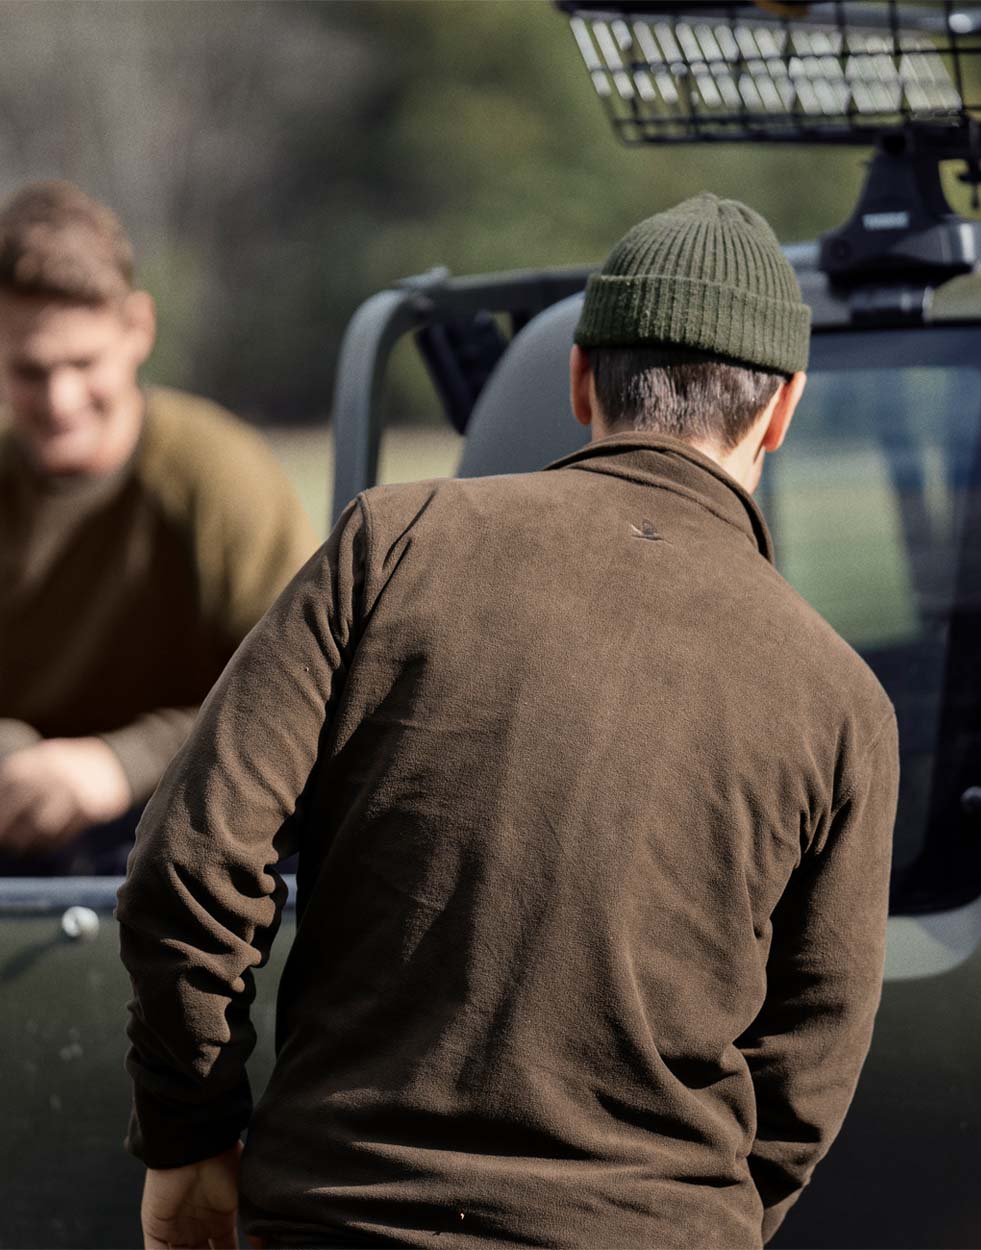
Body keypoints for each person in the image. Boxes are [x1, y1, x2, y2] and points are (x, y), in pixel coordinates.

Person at [117, 194, 899, 1250]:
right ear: (783, 409)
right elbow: (809, 1059)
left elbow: (190, 860)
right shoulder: (842, 698)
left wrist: (190, 1131)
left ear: (581, 376)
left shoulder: (393, 544)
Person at [0, 180, 318, 874]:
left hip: (189, 831)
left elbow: (303, 695)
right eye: (29, 370)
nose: (60, 400)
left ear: (137, 329)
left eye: (83, 364)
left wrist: (123, 763)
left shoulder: (218, 475)